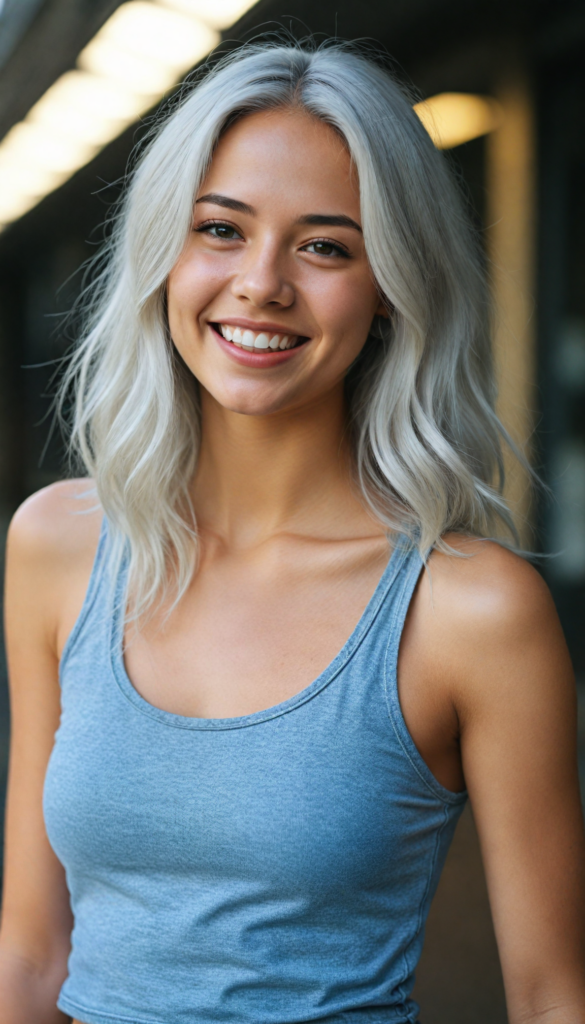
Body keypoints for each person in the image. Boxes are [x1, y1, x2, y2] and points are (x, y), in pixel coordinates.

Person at [1, 40, 584, 1024]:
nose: (261, 283)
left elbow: (553, 994)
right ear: (163, 252)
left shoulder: (470, 610)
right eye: (220, 229)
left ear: (391, 287)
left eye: (325, 245)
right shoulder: (57, 544)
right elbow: (28, 954)